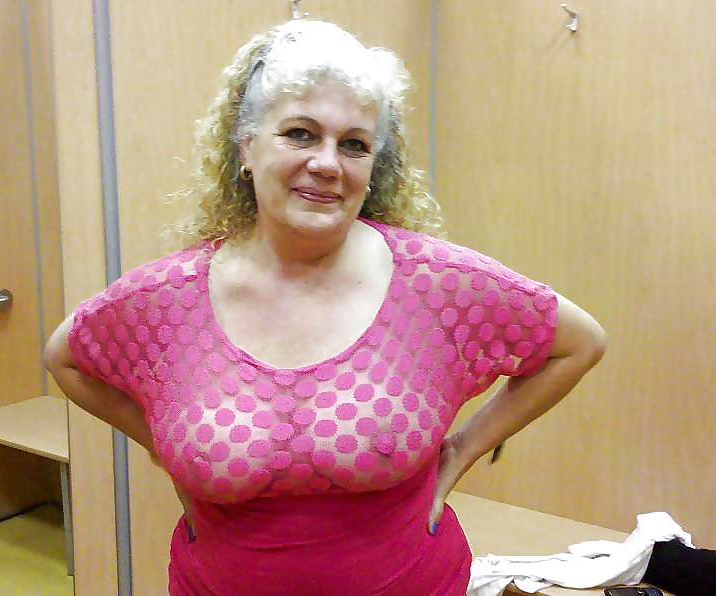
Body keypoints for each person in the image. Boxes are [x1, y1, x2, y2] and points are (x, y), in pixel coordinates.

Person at [45, 19, 607, 595]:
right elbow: (65, 357)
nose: (328, 163)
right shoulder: (167, 299)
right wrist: (162, 445)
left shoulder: (438, 284)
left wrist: (461, 451)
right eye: (301, 134)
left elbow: (579, 343)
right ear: (246, 144)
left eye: (355, 144)